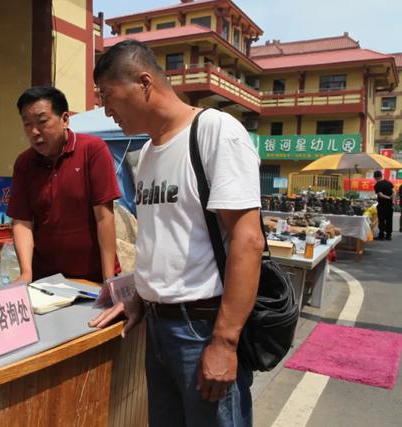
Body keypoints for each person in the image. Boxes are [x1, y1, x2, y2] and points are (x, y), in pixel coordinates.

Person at [89, 40, 265, 427]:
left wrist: (224, 341)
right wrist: (140, 294)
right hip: (158, 328)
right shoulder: (149, 153)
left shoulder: (215, 131)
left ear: (144, 82)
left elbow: (248, 241)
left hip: (203, 327)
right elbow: (162, 241)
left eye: (108, 95)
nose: (106, 109)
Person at [7, 86, 121, 283]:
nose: (34, 132)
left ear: (65, 119)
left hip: (93, 277)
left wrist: (108, 278)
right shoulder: (24, 163)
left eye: (42, 122)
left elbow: (104, 217)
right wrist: (26, 273)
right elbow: (22, 221)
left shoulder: (93, 150)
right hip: (45, 280)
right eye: (27, 124)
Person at [373, 170, 394, 240]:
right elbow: (394, 191)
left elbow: (380, 195)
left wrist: (388, 198)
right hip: (390, 205)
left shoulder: (377, 185)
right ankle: (388, 235)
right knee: (389, 219)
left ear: (376, 177)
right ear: (381, 176)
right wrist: (391, 198)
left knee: (381, 220)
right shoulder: (388, 182)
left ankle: (381, 235)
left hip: (382, 205)